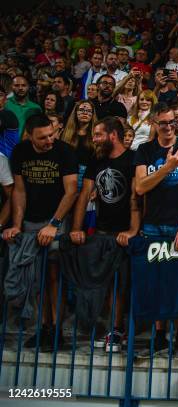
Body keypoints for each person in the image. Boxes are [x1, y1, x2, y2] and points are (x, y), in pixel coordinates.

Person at [3, 114, 78, 351]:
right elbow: (19, 192)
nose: (49, 140)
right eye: (43, 137)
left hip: (55, 217)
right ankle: (42, 327)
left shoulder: (64, 151)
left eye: (51, 134)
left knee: (53, 273)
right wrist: (16, 224)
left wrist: (54, 224)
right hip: (31, 219)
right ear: (30, 136)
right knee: (36, 276)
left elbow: (71, 191)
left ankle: (56, 329)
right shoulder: (20, 152)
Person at [133, 103, 178, 357]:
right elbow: (140, 187)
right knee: (156, 283)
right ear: (154, 123)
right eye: (163, 122)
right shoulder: (145, 150)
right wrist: (168, 167)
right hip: (152, 225)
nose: (168, 127)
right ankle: (160, 336)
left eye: (172, 121)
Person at [70, 116, 139, 353]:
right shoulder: (95, 161)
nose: (94, 139)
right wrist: (77, 227)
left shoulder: (132, 159)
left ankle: (117, 329)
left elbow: (135, 197)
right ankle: (110, 327)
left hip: (125, 233)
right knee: (105, 284)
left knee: (121, 285)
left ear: (113, 135)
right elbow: (84, 193)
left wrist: (133, 229)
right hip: (101, 230)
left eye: (98, 134)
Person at [61, 100, 98, 189]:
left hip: (88, 176)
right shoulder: (65, 133)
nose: (85, 113)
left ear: (92, 115)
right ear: (75, 112)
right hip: (68, 174)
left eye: (89, 111)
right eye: (81, 110)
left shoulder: (97, 135)